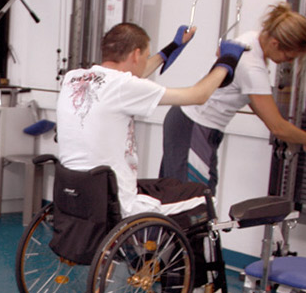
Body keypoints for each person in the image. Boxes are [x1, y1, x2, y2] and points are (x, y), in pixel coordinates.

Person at [57, 21, 245, 219]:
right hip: (117, 200)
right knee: (203, 197)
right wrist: (227, 61)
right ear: (136, 55)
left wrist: (172, 47)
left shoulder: (73, 78)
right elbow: (198, 95)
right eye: (146, 56)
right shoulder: (123, 86)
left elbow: (129, 78)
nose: (146, 62)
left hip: (76, 193)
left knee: (169, 185)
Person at [159, 2, 306, 191]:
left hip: (190, 123)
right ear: (275, 43)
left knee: (183, 195)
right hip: (194, 126)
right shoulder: (252, 66)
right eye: (289, 57)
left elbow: (256, 101)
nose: (288, 62)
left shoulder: (251, 40)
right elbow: (277, 128)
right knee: (192, 201)